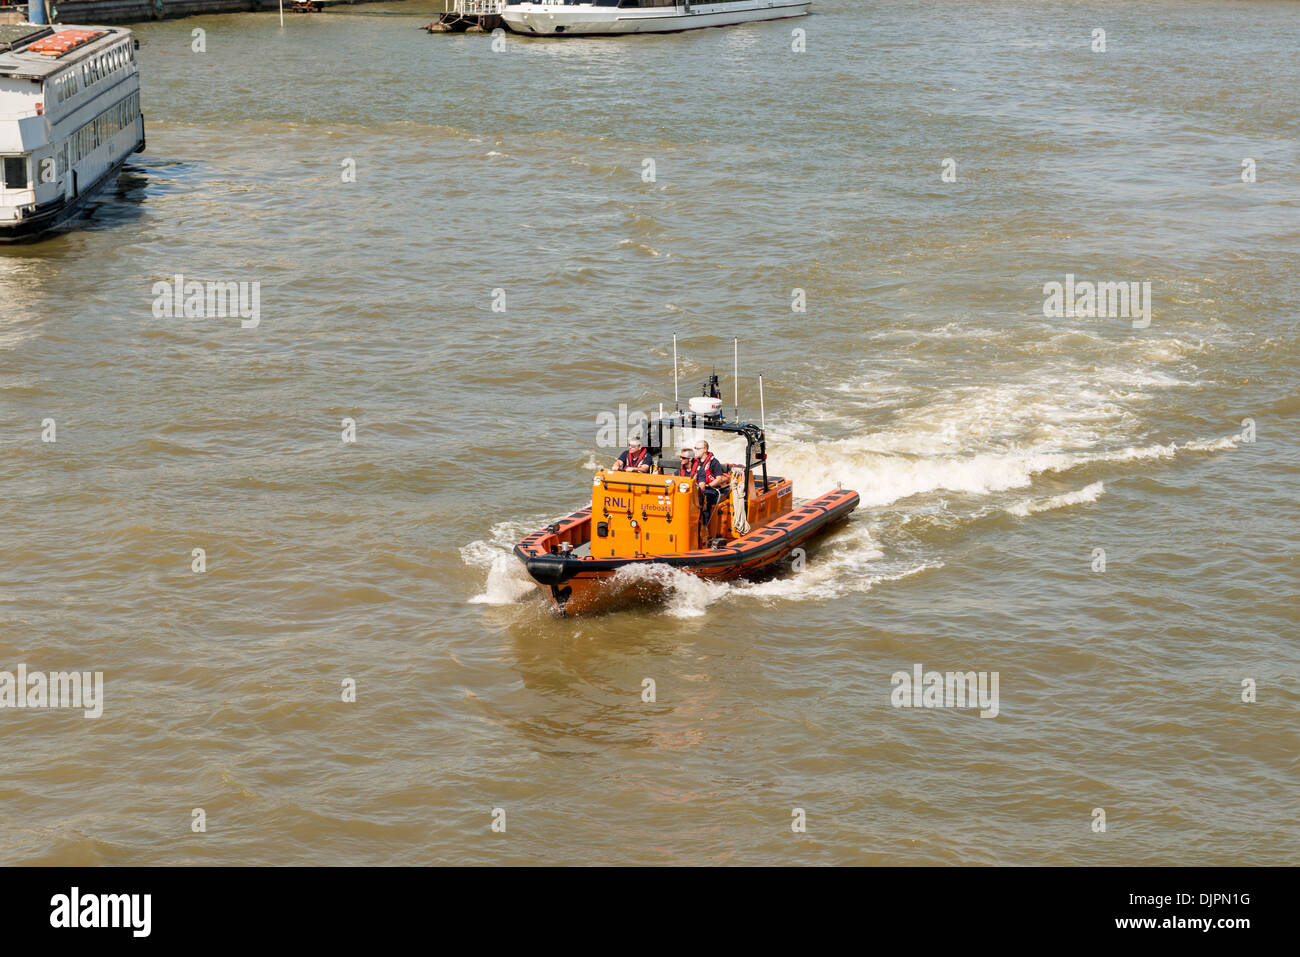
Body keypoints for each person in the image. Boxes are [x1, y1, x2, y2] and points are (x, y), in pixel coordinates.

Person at [687, 439, 730, 525]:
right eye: (695, 448)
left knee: (704, 499)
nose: (695, 450)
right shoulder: (694, 461)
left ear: (705, 450)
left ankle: (704, 525)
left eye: (698, 448)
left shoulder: (714, 462)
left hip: (710, 489)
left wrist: (708, 485)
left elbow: (719, 479)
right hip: (695, 487)